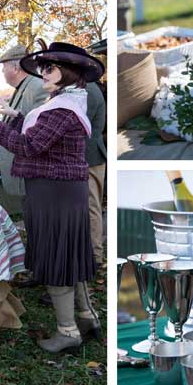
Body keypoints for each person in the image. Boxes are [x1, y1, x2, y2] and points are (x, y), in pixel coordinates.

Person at [0, 42, 104, 353]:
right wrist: (15, 117)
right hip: (60, 190)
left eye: (51, 68)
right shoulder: (65, 101)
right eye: (43, 67)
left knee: (58, 257)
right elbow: (41, 137)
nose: (43, 72)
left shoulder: (64, 107)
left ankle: (68, 331)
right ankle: (87, 317)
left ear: (68, 73)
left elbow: (30, 146)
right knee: (69, 255)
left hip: (54, 192)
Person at [0, 44, 48, 203]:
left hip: (29, 176)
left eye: (4, 67)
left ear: (16, 68)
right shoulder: (22, 88)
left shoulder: (38, 88)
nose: (3, 71)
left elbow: (39, 131)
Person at [85, 80, 106, 268]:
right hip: (85, 156)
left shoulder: (89, 90)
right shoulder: (82, 88)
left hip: (91, 156)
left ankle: (95, 255)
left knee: (92, 206)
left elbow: (80, 123)